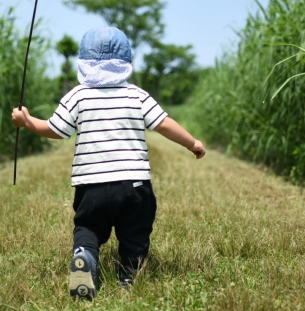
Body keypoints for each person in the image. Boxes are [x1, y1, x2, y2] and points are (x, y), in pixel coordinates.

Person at [12, 26, 206, 300]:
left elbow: (56, 130)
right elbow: (163, 124)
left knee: (89, 227)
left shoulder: (76, 96)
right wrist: (192, 143)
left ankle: (85, 255)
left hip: (92, 188)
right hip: (134, 185)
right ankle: (128, 276)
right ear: (125, 63)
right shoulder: (137, 95)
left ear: (84, 63)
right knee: (135, 233)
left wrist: (27, 121)